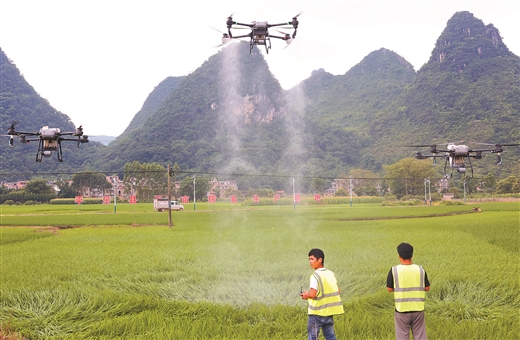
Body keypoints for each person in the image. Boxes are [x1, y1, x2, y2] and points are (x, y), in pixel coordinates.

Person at [387, 242, 430, 340]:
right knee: (420, 336)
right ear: (412, 255)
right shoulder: (420, 269)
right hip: (418, 308)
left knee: (402, 336)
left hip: (402, 309)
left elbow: (389, 289)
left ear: (399, 255)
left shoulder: (394, 270)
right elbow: (427, 288)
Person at [301, 248, 344, 340]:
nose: (310, 262)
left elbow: (312, 294)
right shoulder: (330, 273)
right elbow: (338, 290)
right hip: (328, 312)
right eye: (309, 259)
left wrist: (306, 295)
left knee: (312, 337)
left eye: (312, 259)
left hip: (316, 313)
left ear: (320, 260)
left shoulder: (315, 275)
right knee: (330, 336)